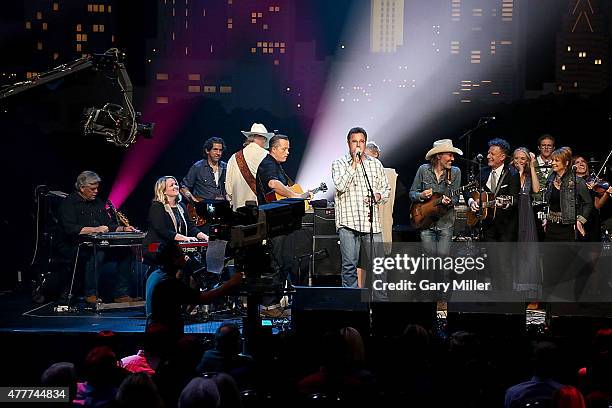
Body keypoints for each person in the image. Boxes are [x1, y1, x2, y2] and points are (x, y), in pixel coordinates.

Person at [57, 171, 138, 304]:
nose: (96, 191)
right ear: (82, 188)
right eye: (92, 189)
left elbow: (109, 225)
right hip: (73, 246)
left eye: (97, 188)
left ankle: (121, 294)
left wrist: (123, 228)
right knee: (97, 252)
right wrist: (95, 229)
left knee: (125, 251)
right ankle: (91, 294)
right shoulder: (69, 203)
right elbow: (71, 229)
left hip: (97, 244)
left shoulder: (98, 203)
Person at [256, 134, 310, 317]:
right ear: (273, 149)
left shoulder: (276, 166)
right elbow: (273, 184)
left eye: (288, 149)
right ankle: (268, 307)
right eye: (284, 149)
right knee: (276, 262)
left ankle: (274, 304)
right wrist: (294, 196)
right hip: (273, 224)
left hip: (282, 224)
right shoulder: (268, 164)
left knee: (285, 261)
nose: (288, 152)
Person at [332, 127, 390, 290]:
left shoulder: (375, 164)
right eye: (354, 142)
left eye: (362, 142)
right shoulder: (339, 163)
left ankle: (380, 303)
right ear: (348, 143)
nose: (358, 145)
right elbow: (340, 185)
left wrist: (378, 196)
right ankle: (352, 307)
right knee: (349, 266)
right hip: (348, 223)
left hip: (371, 223)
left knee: (378, 266)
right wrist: (354, 165)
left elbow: (386, 189)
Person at [146, 240, 242, 337]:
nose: (185, 257)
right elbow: (204, 298)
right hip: (165, 335)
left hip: (156, 330)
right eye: (182, 254)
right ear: (174, 259)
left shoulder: (155, 275)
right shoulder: (168, 283)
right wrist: (231, 283)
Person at [409, 139, 463, 257]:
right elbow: (412, 193)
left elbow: (456, 199)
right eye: (449, 155)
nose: (452, 159)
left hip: (445, 223)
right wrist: (421, 195)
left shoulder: (455, 172)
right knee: (429, 260)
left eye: (453, 155)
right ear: (439, 155)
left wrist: (448, 202)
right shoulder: (423, 170)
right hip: (425, 223)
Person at [142, 176, 208, 266]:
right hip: (154, 246)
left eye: (176, 184)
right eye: (171, 185)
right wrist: (184, 238)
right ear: (163, 191)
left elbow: (190, 228)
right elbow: (161, 229)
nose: (175, 186)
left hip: (172, 247)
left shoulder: (181, 206)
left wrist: (205, 237)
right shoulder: (157, 206)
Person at [468, 138, 520, 242]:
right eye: (488, 153)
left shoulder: (512, 174)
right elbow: (468, 190)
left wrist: (505, 204)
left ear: (502, 157)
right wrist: (472, 202)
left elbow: (514, 199)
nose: (488, 157)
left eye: (492, 154)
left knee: (503, 257)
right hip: (487, 225)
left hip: (505, 227)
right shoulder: (483, 172)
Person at [512, 148, 541, 296]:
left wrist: (531, 168)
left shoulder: (530, 175)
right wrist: (519, 172)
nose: (519, 161)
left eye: (522, 158)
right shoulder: (510, 174)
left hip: (527, 212)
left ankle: (530, 284)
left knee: (528, 246)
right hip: (513, 214)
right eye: (516, 158)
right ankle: (516, 285)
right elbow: (514, 189)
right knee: (516, 247)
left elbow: (536, 189)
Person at [225, 123, 273, 210]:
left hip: (238, 211)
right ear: (262, 138)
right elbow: (272, 183)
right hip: (259, 211)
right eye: (265, 139)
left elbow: (228, 190)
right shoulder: (266, 155)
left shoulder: (234, 157)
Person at [181, 137, 227, 202]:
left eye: (220, 150)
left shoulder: (226, 167)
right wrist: (195, 203)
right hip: (203, 206)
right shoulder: (198, 167)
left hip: (222, 206)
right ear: (207, 151)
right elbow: (183, 188)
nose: (218, 153)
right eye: (215, 149)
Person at [533, 134, 556, 203]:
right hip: (534, 203)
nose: (546, 148)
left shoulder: (558, 164)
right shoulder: (531, 163)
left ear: (553, 148)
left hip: (553, 204)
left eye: (549, 145)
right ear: (539, 147)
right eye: (543, 145)